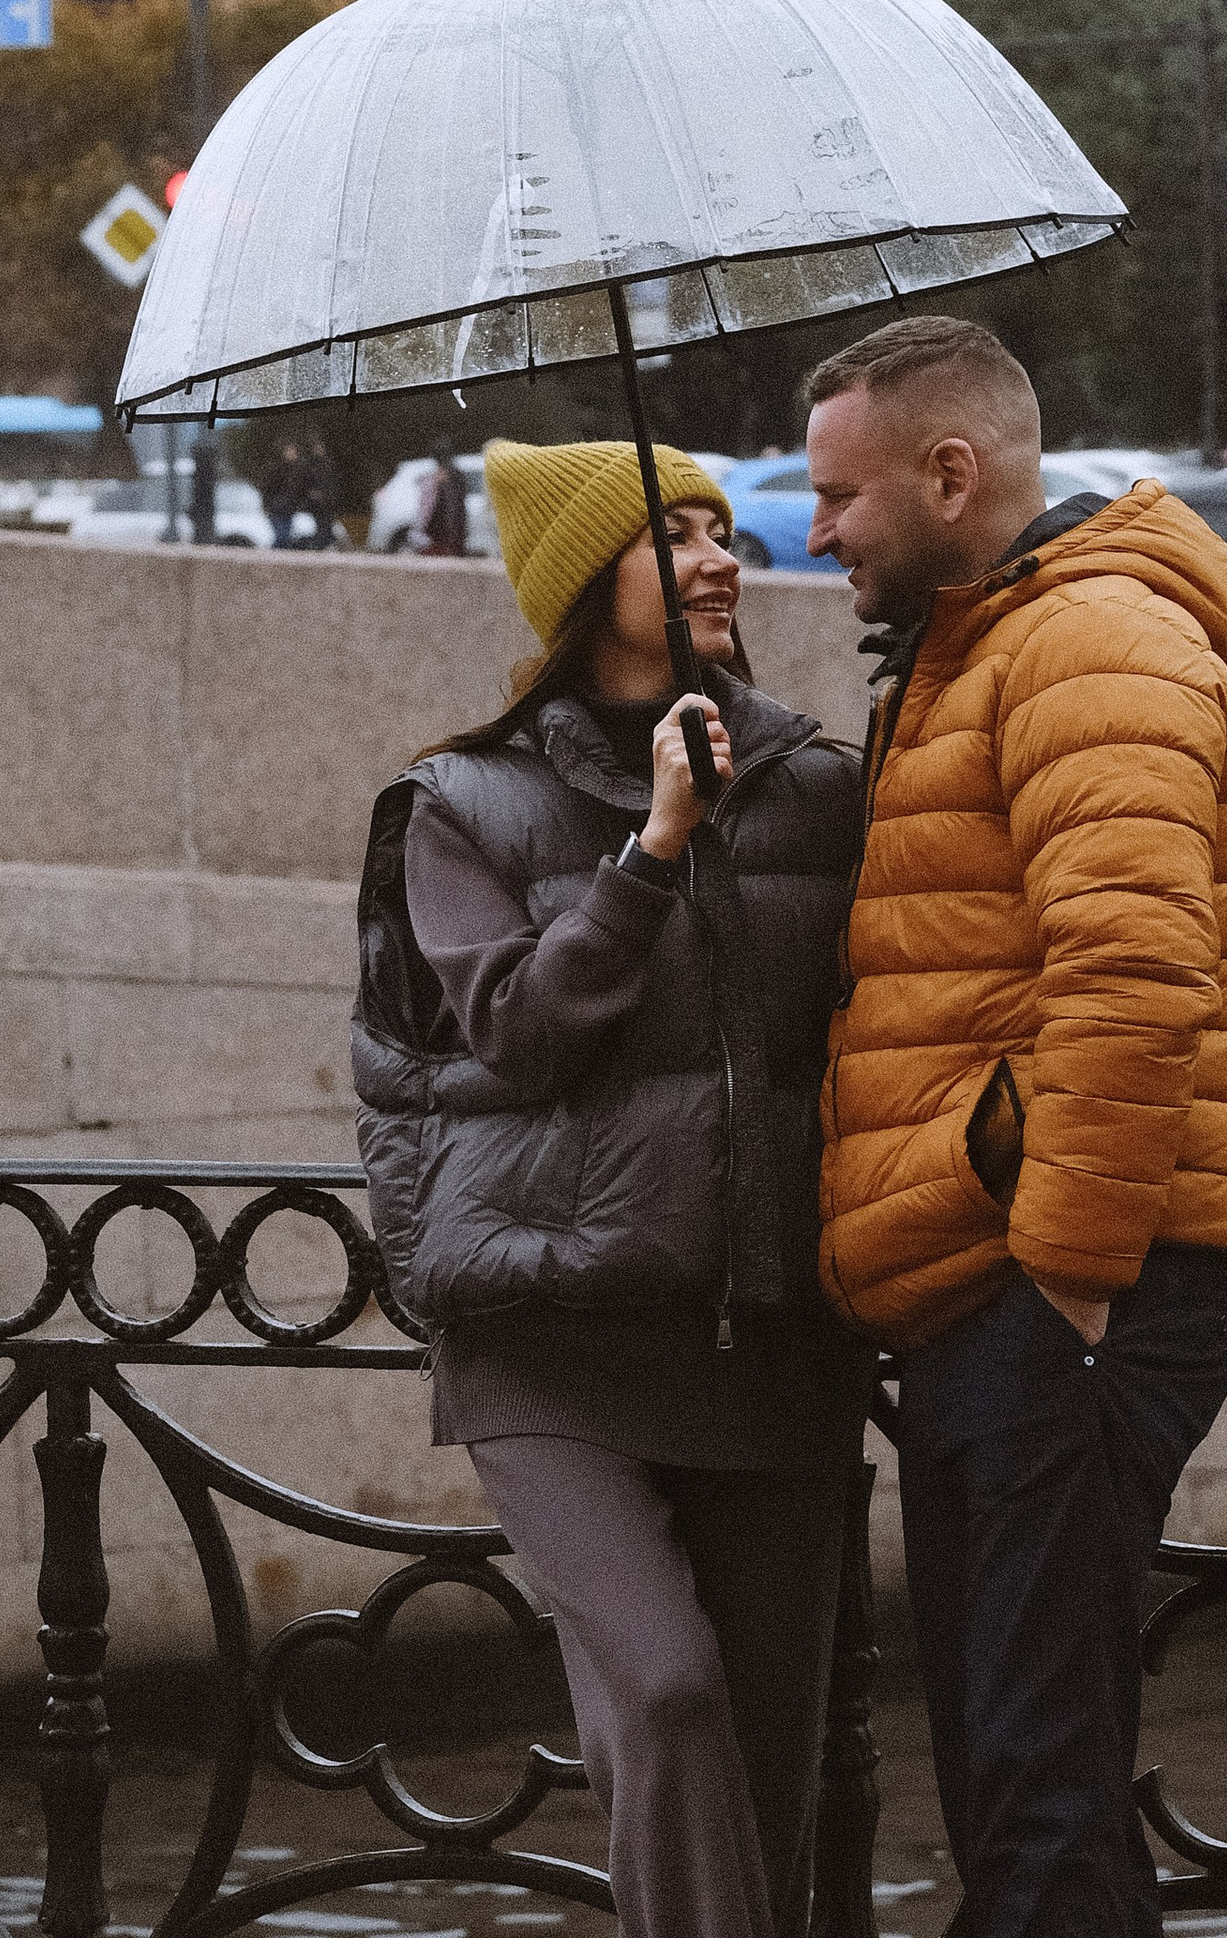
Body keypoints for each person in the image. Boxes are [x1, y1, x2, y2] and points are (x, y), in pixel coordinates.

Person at [802, 312, 1227, 1937]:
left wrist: (1069, 1278)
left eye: (841, 492)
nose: (817, 528)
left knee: (1042, 1792)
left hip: (1051, 1293)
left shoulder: (1086, 642)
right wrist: (1215, 1136)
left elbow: (1130, 972)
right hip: (1010, 1275)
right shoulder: (993, 642)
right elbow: (1027, 977)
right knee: (1024, 1777)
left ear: (950, 470)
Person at [353, 436, 872, 1938]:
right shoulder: (453, 803)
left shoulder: (818, 784)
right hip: (548, 1338)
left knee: (764, 1784)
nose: (723, 557)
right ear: (588, 583)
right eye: (678, 534)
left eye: (724, 529)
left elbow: (938, 1014)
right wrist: (654, 847)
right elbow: (513, 1030)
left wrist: (1210, 1139)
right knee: (669, 1692)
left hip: (768, 1332)